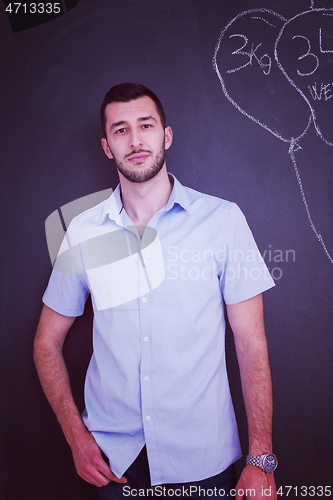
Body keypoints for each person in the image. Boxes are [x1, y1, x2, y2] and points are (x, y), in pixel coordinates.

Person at [34, 82, 278, 500]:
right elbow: (45, 343)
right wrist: (76, 436)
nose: (135, 140)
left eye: (145, 125)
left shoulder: (222, 221)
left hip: (205, 462)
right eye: (120, 129)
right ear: (107, 146)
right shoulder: (82, 231)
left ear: (166, 135)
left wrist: (261, 458)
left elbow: (251, 344)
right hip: (117, 466)